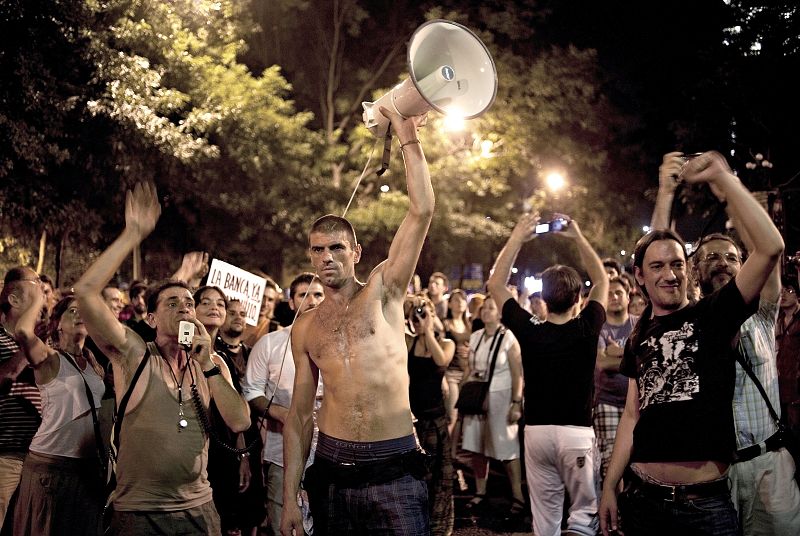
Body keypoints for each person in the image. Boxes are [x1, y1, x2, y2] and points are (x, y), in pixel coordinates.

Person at [598, 151, 785, 536]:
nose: (670, 274)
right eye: (658, 267)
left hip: (706, 506)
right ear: (639, 277)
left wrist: (723, 178)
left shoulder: (714, 315)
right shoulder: (641, 333)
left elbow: (769, 248)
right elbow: (632, 416)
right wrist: (608, 486)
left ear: (688, 269)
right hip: (644, 500)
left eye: (678, 264)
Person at [280, 107, 434, 536]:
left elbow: (421, 211)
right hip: (332, 469)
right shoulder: (306, 326)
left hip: (395, 467)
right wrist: (289, 496)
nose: (326, 257)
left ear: (356, 252)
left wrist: (407, 137)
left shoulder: (384, 291)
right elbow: (298, 416)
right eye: (317, 250)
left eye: (336, 248)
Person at [74, 182, 251, 535]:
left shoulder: (209, 362)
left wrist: (207, 366)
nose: (185, 307)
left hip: (199, 510)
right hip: (139, 514)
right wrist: (132, 233)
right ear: (151, 319)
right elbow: (85, 292)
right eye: (172, 303)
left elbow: (240, 422)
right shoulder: (136, 354)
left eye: (189, 303)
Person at [651, 150, 800, 535]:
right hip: (716, 476)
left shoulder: (764, 312)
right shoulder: (690, 322)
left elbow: (769, 246)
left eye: (732, 257)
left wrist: (725, 182)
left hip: (770, 468)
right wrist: (666, 194)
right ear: (694, 271)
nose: (722, 262)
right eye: (711, 257)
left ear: (744, 266)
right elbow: (657, 258)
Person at [488, 212, 608, 536]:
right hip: (576, 434)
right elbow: (602, 281)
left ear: (543, 299)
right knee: (584, 514)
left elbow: (495, 285)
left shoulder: (530, 330)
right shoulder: (586, 328)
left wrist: (516, 237)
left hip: (537, 432)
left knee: (545, 519)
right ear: (579, 299)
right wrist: (579, 237)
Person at [13, 295, 105, 535]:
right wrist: (38, 297)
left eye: (83, 311)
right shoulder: (49, 358)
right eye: (72, 311)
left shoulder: (93, 362)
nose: (79, 315)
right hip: (51, 466)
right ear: (57, 324)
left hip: (86, 467)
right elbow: (22, 330)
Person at [243, 272, 324, 536]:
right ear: (291, 302)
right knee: (286, 527)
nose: (312, 301)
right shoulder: (270, 344)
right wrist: (283, 413)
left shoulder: (345, 345)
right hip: (282, 456)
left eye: (318, 294)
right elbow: (251, 391)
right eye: (304, 295)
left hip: (333, 456)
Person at [460, 295, 525, 517]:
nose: (486, 311)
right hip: (478, 397)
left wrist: (516, 403)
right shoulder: (476, 336)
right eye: (484, 307)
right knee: (478, 447)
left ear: (499, 313)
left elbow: (518, 375)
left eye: (491, 307)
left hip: (502, 396)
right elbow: (469, 368)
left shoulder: (509, 338)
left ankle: (518, 496)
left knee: (506, 448)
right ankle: (480, 491)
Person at [405, 295, 455, 535]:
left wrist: (428, 330)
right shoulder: (409, 343)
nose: (420, 320)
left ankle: (437, 526)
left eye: (426, 314)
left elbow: (441, 360)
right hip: (414, 420)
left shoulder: (446, 343)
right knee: (417, 476)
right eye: (416, 316)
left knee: (438, 478)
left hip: (436, 420)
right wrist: (410, 304)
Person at [0, 267, 43, 532]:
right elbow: (6, 375)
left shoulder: (40, 344)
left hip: (36, 457)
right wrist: (31, 344)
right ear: (14, 299)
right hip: (4, 456)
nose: (42, 291)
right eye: (35, 284)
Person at [594, 276, 639, 487]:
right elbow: (602, 363)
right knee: (611, 460)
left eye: (618, 292)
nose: (613, 297)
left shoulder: (639, 323)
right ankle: (616, 512)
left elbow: (646, 357)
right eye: (609, 293)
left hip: (638, 401)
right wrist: (633, 356)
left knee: (638, 458)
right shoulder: (599, 328)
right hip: (608, 402)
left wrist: (620, 352)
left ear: (627, 295)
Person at [442, 288, 471, 451]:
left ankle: (452, 453)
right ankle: (445, 452)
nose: (460, 302)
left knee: (460, 417)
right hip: (451, 373)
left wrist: (470, 349)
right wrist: (443, 377)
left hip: (466, 373)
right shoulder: (446, 324)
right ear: (450, 304)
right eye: (456, 299)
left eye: (462, 299)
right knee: (452, 415)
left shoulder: (469, 323)